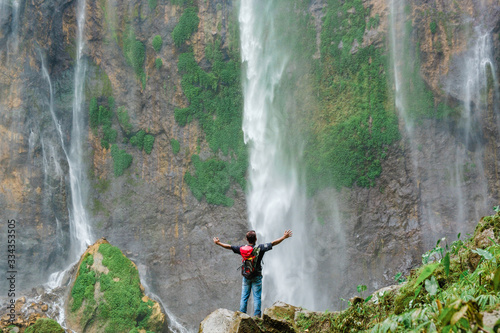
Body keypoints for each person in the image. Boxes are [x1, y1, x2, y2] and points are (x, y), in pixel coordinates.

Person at [213, 229, 293, 317]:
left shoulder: (241, 248)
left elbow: (229, 246)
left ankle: (242, 315)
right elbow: (273, 243)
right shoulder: (260, 248)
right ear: (256, 239)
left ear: (247, 239)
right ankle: (257, 316)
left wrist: (218, 243)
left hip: (246, 276)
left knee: (244, 297)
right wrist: (284, 237)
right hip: (257, 276)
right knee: (257, 297)